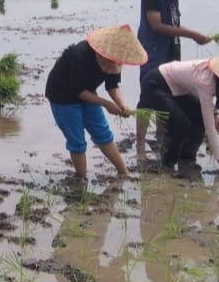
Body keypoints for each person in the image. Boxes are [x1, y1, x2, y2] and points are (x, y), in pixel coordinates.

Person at [46, 25, 147, 179]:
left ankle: (123, 172)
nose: (109, 70)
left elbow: (112, 86)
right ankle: (81, 179)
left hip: (88, 92)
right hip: (63, 96)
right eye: (107, 66)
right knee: (77, 140)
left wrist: (121, 104)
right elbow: (79, 92)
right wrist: (106, 104)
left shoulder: (115, 60)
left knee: (102, 132)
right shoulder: (80, 55)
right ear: (101, 55)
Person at [137, 51, 219, 173]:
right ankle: (167, 163)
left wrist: (215, 115)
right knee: (179, 123)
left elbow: (201, 99)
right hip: (156, 83)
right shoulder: (206, 80)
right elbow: (209, 126)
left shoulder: (214, 77)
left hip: (178, 88)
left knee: (198, 119)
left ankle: (186, 158)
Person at [136, 0, 211, 151]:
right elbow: (157, 26)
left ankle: (161, 136)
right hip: (152, 52)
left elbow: (174, 24)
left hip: (171, 51)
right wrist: (191, 34)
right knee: (147, 97)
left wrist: (194, 34)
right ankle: (140, 142)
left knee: (168, 95)